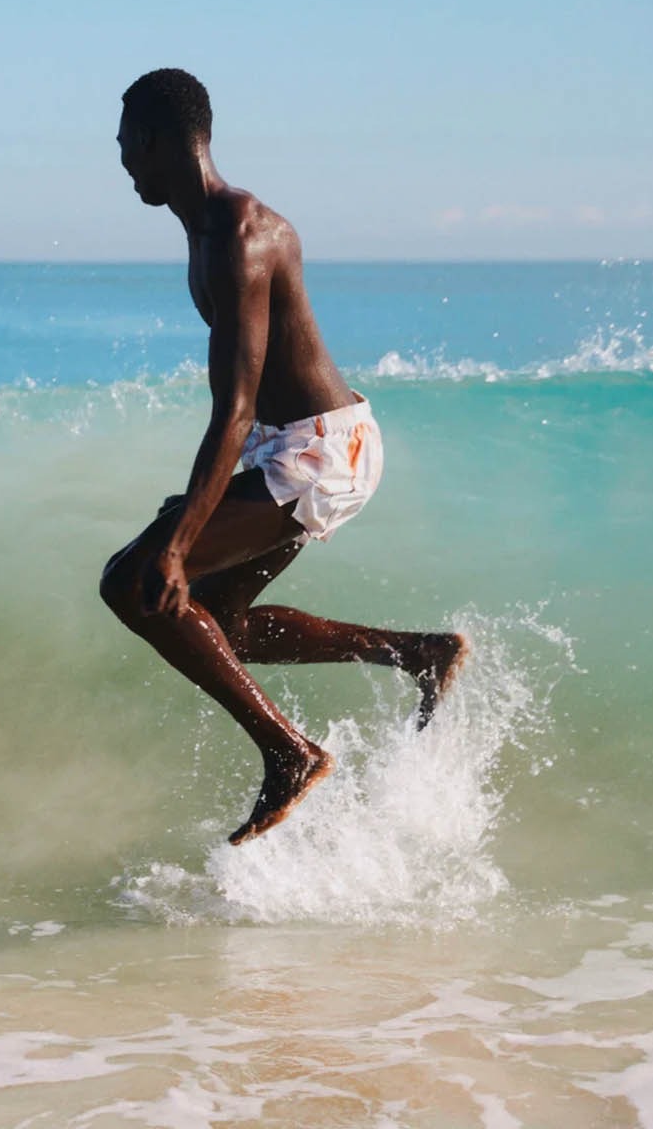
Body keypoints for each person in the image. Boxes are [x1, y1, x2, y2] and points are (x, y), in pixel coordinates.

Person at [98, 69, 467, 845]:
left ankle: (289, 754)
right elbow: (247, 406)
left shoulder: (240, 235)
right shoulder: (203, 227)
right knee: (219, 623)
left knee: (136, 582)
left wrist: (180, 537)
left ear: (161, 141)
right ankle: (418, 653)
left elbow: (232, 406)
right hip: (295, 443)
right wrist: (195, 513)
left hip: (320, 449)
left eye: (128, 143)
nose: (123, 159)